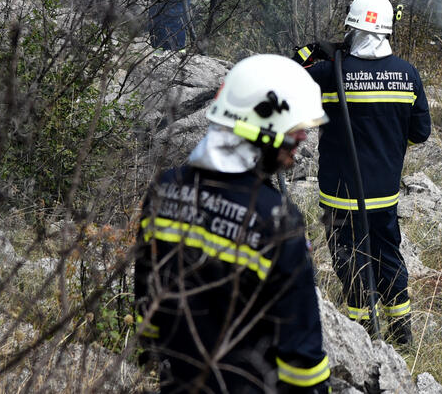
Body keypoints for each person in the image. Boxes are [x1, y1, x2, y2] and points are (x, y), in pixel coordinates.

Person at [135, 54, 332, 393]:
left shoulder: (165, 189)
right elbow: (302, 361)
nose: (301, 141)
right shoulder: (277, 220)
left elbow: (147, 306)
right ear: (263, 130)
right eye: (295, 132)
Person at [294, 0, 431, 346]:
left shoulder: (327, 73)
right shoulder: (407, 74)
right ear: (387, 30)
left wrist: (312, 51)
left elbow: (287, 78)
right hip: (384, 193)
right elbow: (420, 133)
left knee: (347, 257)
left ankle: (363, 335)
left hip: (339, 194)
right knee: (388, 254)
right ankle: (402, 333)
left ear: (350, 26)